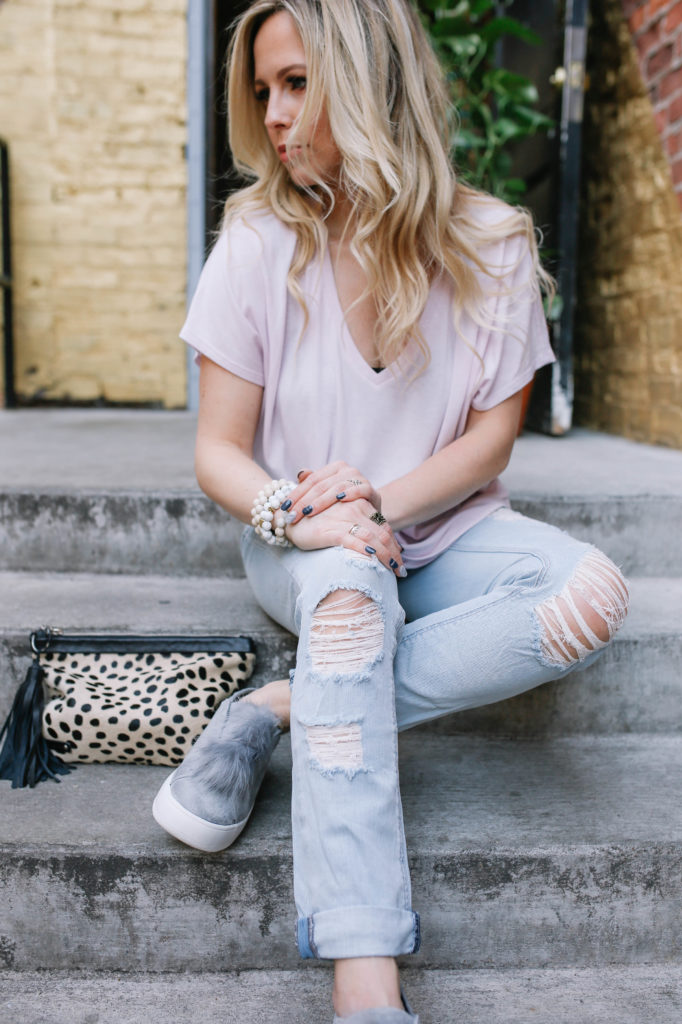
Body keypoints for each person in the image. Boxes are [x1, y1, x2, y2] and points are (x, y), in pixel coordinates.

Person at [152, 2, 630, 1021]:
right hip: (299, 543)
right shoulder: (256, 240)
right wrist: (300, 516)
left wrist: (378, 501)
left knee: (588, 593)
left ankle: (279, 706)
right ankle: (363, 979)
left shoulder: (490, 244)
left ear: (369, 82)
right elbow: (217, 454)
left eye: (297, 83)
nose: (272, 114)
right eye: (263, 89)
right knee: (347, 597)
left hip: (441, 526)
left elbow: (489, 443)